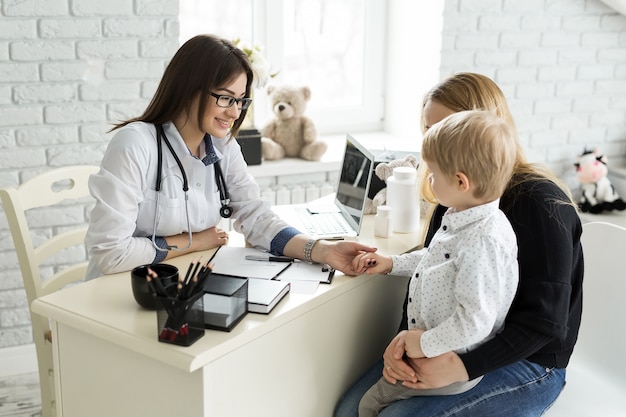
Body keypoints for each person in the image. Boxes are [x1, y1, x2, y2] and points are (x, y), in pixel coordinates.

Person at [335, 72, 583, 417]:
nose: (435, 141)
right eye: (428, 130)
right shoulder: (455, 196)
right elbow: (432, 278)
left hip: (528, 360)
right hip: (450, 342)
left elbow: (544, 324)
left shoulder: (540, 203)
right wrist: (403, 350)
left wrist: (463, 366)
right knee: (348, 410)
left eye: (447, 128)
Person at [85, 34, 375, 280]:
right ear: (189, 88)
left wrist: (322, 250)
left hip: (187, 282)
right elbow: (110, 254)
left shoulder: (222, 146)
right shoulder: (136, 144)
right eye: (225, 98)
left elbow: (256, 217)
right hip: (125, 289)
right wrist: (194, 242)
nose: (235, 112)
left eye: (240, 100)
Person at [357, 110, 519, 417]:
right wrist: (391, 263)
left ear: (460, 181)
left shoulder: (483, 239)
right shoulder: (464, 217)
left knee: (368, 406)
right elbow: (436, 259)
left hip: (443, 357)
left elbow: (475, 322)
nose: (427, 180)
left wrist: (423, 345)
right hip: (430, 346)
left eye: (432, 174)